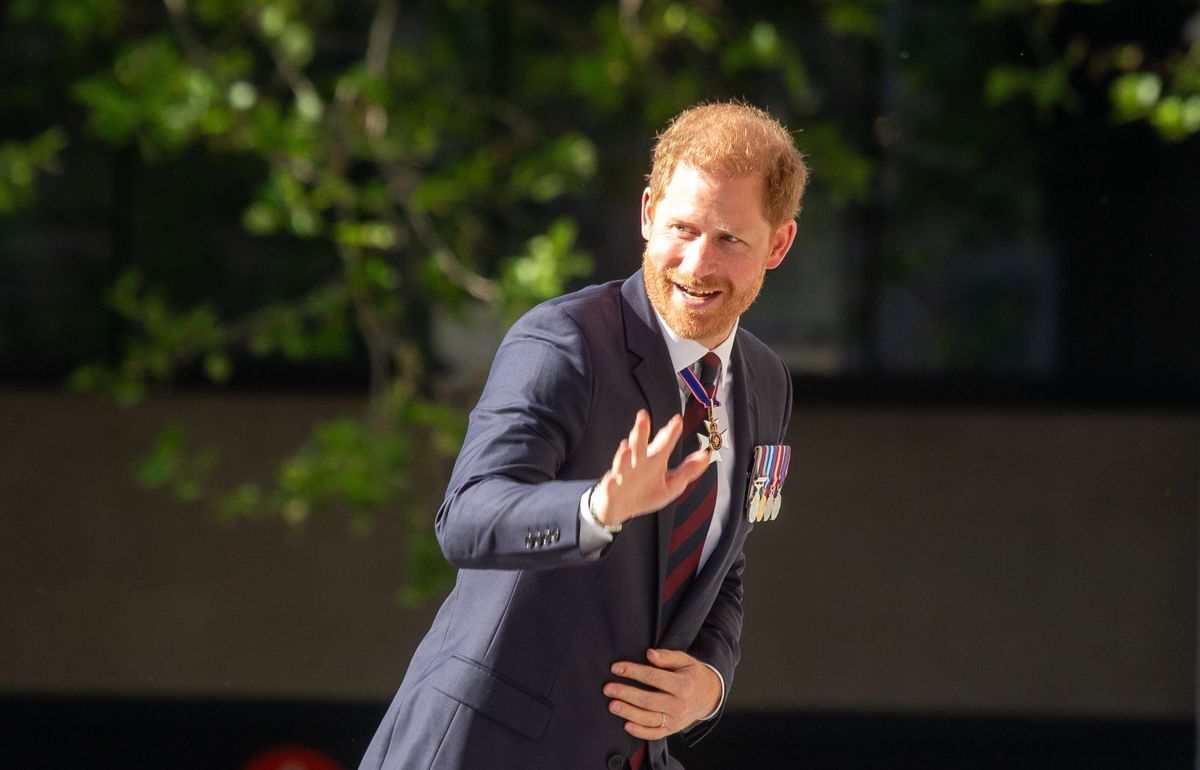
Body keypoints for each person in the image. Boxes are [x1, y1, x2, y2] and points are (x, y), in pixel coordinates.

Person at [358, 101, 807, 770]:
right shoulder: (564, 343)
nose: (696, 262)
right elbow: (466, 519)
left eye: (729, 240)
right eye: (681, 227)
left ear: (778, 243)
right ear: (648, 212)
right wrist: (596, 510)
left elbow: (726, 560)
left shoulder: (765, 382)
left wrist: (708, 682)